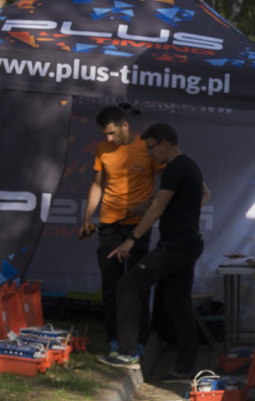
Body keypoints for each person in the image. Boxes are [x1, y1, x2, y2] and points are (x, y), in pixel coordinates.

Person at [99, 123, 210, 380]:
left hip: (175, 247)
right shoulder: (190, 166)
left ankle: (127, 352)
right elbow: (203, 194)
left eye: (151, 148)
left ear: (165, 144)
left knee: (128, 284)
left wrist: (131, 239)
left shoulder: (174, 168)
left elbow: (157, 209)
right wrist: (173, 207)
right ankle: (185, 367)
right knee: (178, 304)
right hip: (189, 243)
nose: (149, 154)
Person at [81, 106, 161, 356]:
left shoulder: (146, 147)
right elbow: (97, 185)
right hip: (109, 224)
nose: (109, 139)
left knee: (137, 282)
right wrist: (86, 218)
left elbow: (169, 183)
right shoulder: (102, 149)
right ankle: (114, 339)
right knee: (112, 284)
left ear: (125, 126)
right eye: (105, 134)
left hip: (138, 226)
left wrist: (149, 203)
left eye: (113, 133)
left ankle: (139, 340)